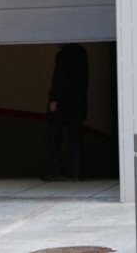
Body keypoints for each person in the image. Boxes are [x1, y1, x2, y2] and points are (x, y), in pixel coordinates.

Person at [42, 43, 89, 182]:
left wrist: (55, 98)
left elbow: (60, 78)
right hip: (78, 103)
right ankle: (77, 172)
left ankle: (55, 170)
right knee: (76, 139)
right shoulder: (82, 53)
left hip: (62, 105)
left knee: (54, 139)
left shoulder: (64, 55)